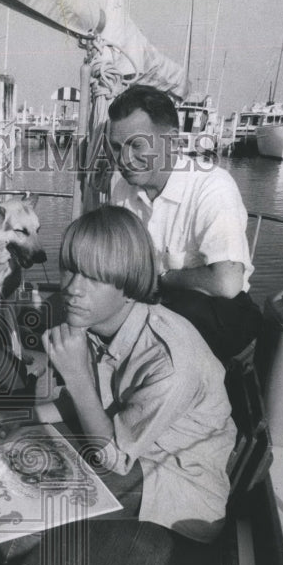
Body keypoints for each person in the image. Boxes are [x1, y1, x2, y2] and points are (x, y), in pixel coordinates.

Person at [0, 206, 234, 544]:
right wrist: (18, 417)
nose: (73, 289)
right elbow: (81, 406)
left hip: (178, 485)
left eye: (94, 277)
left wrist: (77, 374)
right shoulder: (95, 321)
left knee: (30, 509)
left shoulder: (168, 360)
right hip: (123, 445)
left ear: (129, 286)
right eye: (69, 270)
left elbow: (113, 458)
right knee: (7, 456)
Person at [107, 84, 262, 361]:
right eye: (117, 147)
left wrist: (163, 279)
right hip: (154, 306)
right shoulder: (121, 189)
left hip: (217, 314)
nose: (124, 160)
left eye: (136, 145)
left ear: (172, 141)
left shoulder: (212, 187)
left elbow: (227, 284)